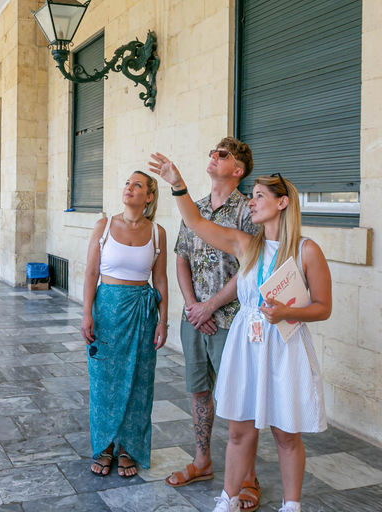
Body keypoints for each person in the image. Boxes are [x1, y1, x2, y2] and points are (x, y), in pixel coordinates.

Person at [149, 154, 332, 512]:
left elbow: (323, 307)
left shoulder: (306, 250)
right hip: (246, 344)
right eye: (252, 196)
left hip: (283, 346)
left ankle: (291, 506)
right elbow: (196, 222)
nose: (252, 201)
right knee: (238, 431)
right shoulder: (247, 245)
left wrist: (287, 312)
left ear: (282, 203)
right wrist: (177, 183)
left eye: (260, 196)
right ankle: (227, 500)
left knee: (285, 433)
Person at [165, 138, 261, 511]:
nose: (213, 157)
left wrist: (211, 306)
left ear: (237, 170)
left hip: (231, 321)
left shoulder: (247, 211)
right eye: (211, 152)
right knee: (198, 391)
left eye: (222, 155)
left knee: (241, 402)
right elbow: (181, 258)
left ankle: (249, 477)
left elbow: (249, 268)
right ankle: (202, 461)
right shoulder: (196, 209)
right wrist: (192, 306)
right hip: (195, 320)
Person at [81, 171, 169, 478]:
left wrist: (164, 320)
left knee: (139, 382)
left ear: (149, 196)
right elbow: (91, 272)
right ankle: (106, 446)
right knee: (104, 380)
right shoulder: (104, 226)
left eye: (137, 185)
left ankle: (129, 448)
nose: (128, 188)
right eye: (127, 183)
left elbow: (160, 279)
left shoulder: (158, 232)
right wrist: (87, 313)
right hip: (106, 310)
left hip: (142, 313)